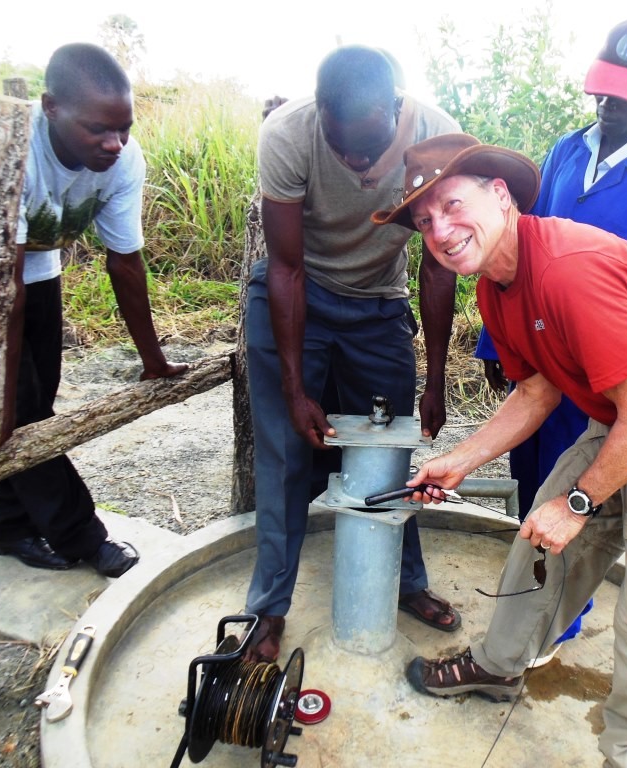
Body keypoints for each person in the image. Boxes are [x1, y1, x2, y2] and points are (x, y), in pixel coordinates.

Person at [371, 133, 627, 767]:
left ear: (500, 195)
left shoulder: (566, 268)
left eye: (451, 205)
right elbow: (536, 393)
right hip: (625, 416)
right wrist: (459, 461)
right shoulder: (495, 285)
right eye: (424, 222)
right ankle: (499, 666)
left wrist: (580, 502)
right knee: (540, 543)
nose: (441, 230)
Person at [474, 16, 627, 650]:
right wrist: (499, 344)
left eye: (625, 92)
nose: (606, 103)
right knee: (532, 480)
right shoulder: (566, 152)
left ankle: (557, 627)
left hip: (609, 383)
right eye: (601, 88)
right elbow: (523, 252)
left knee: (578, 497)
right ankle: (528, 609)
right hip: (547, 366)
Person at [242, 46, 461, 663]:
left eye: (367, 150)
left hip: (378, 303)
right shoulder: (288, 134)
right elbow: (285, 268)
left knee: (388, 449)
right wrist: (294, 388)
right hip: (296, 295)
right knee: (285, 457)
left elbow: (439, 265)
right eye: (342, 150)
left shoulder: (435, 137)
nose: (357, 164)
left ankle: (405, 582)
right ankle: (268, 608)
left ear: (396, 108)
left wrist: (437, 377)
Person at [0, 43, 187, 578]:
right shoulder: (14, 150)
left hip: (37, 271)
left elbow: (125, 264)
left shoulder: (124, 159)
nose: (115, 142)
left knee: (34, 404)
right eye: (99, 129)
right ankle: (83, 538)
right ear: (51, 107)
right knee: (20, 411)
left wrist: (154, 358)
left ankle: (7, 526)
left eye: (123, 127)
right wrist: (5, 398)